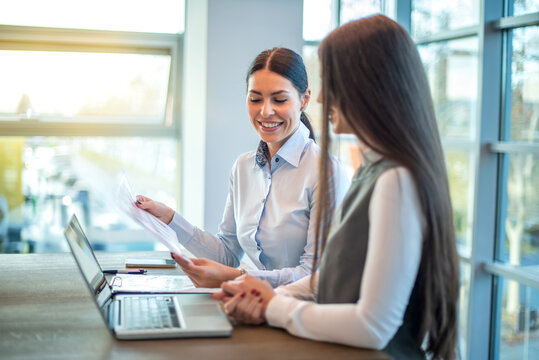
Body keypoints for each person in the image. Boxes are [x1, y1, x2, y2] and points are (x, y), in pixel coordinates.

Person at [212, 15, 460, 359]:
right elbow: (328, 276)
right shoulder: (374, 169)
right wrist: (269, 297)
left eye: (333, 83)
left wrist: (273, 308)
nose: (323, 98)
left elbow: (373, 325)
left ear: (368, 87)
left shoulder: (395, 180)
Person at [137, 47, 350, 289]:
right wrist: (169, 218)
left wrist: (235, 277)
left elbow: (313, 275)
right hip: (253, 306)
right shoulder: (243, 167)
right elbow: (227, 254)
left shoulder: (326, 171)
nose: (265, 111)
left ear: (304, 100)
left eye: (279, 99)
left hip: (298, 314)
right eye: (255, 99)